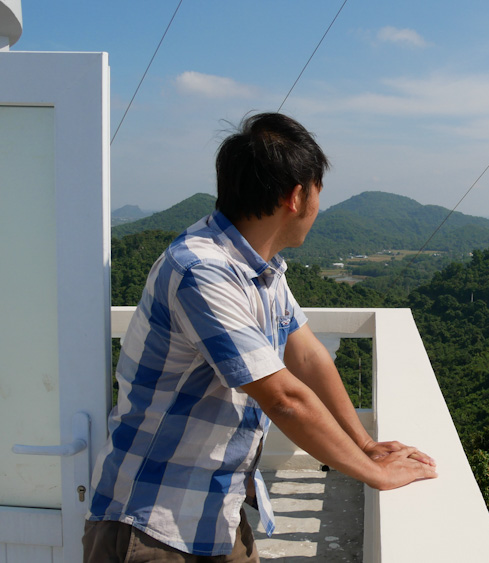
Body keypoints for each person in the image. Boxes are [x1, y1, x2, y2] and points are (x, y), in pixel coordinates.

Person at [84, 112, 436, 561]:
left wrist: (365, 443)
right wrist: (373, 472)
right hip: (151, 523)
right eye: (318, 194)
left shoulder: (263, 272)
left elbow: (308, 358)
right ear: (296, 196)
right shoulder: (201, 271)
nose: (318, 209)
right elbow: (284, 398)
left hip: (218, 510)